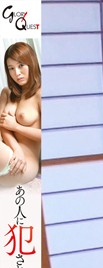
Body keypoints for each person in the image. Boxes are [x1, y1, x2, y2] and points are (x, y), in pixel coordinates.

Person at [0, 41, 41, 187]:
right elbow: (2, 125)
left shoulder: (40, 94)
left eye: (21, 65)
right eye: (11, 68)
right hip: (7, 151)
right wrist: (16, 149)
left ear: (31, 63)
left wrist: (16, 127)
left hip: (24, 162)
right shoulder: (7, 92)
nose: (16, 73)